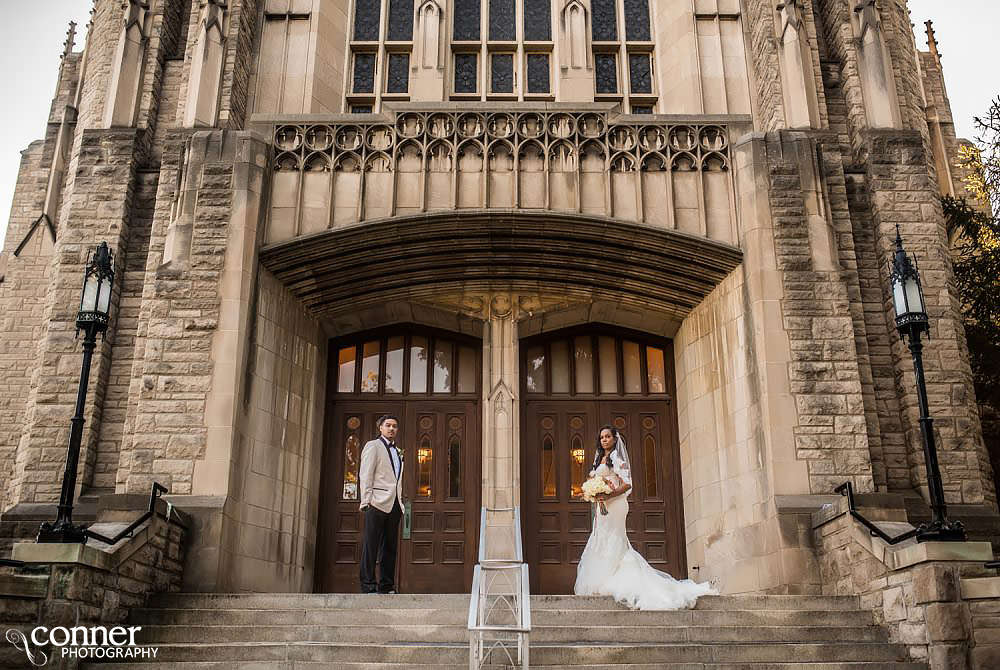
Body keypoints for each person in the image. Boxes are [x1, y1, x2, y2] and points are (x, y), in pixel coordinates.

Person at [574, 425, 717, 609]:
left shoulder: (617, 458)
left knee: (614, 539)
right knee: (601, 538)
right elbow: (596, 480)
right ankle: (603, 579)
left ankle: (615, 578)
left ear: (615, 439)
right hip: (603, 506)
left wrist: (609, 494)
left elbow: (627, 484)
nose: (604, 440)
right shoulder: (599, 459)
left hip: (616, 505)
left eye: (608, 436)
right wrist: (591, 492)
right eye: (602, 437)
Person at [358, 414, 405, 594]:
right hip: (376, 502)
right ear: (381, 428)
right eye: (388, 425)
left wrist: (400, 504)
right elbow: (366, 474)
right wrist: (366, 500)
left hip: (394, 504)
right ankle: (368, 584)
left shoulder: (398, 451)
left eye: (394, 426)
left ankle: (386, 585)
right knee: (371, 544)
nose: (391, 428)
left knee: (390, 547)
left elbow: (396, 480)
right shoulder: (373, 446)